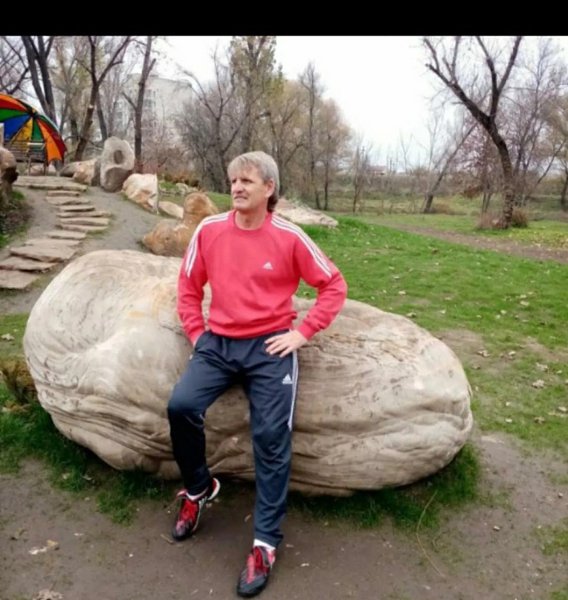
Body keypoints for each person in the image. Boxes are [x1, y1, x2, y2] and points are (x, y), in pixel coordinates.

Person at [167, 151, 347, 597]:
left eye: (247, 180)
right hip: (219, 344)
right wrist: (198, 334)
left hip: (270, 348)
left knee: (270, 436)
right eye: (233, 180)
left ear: (269, 188)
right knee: (181, 406)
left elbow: (333, 285)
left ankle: (265, 542)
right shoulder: (210, 230)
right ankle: (199, 489)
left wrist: (302, 333)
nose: (236, 187)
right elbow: (188, 287)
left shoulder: (289, 236)